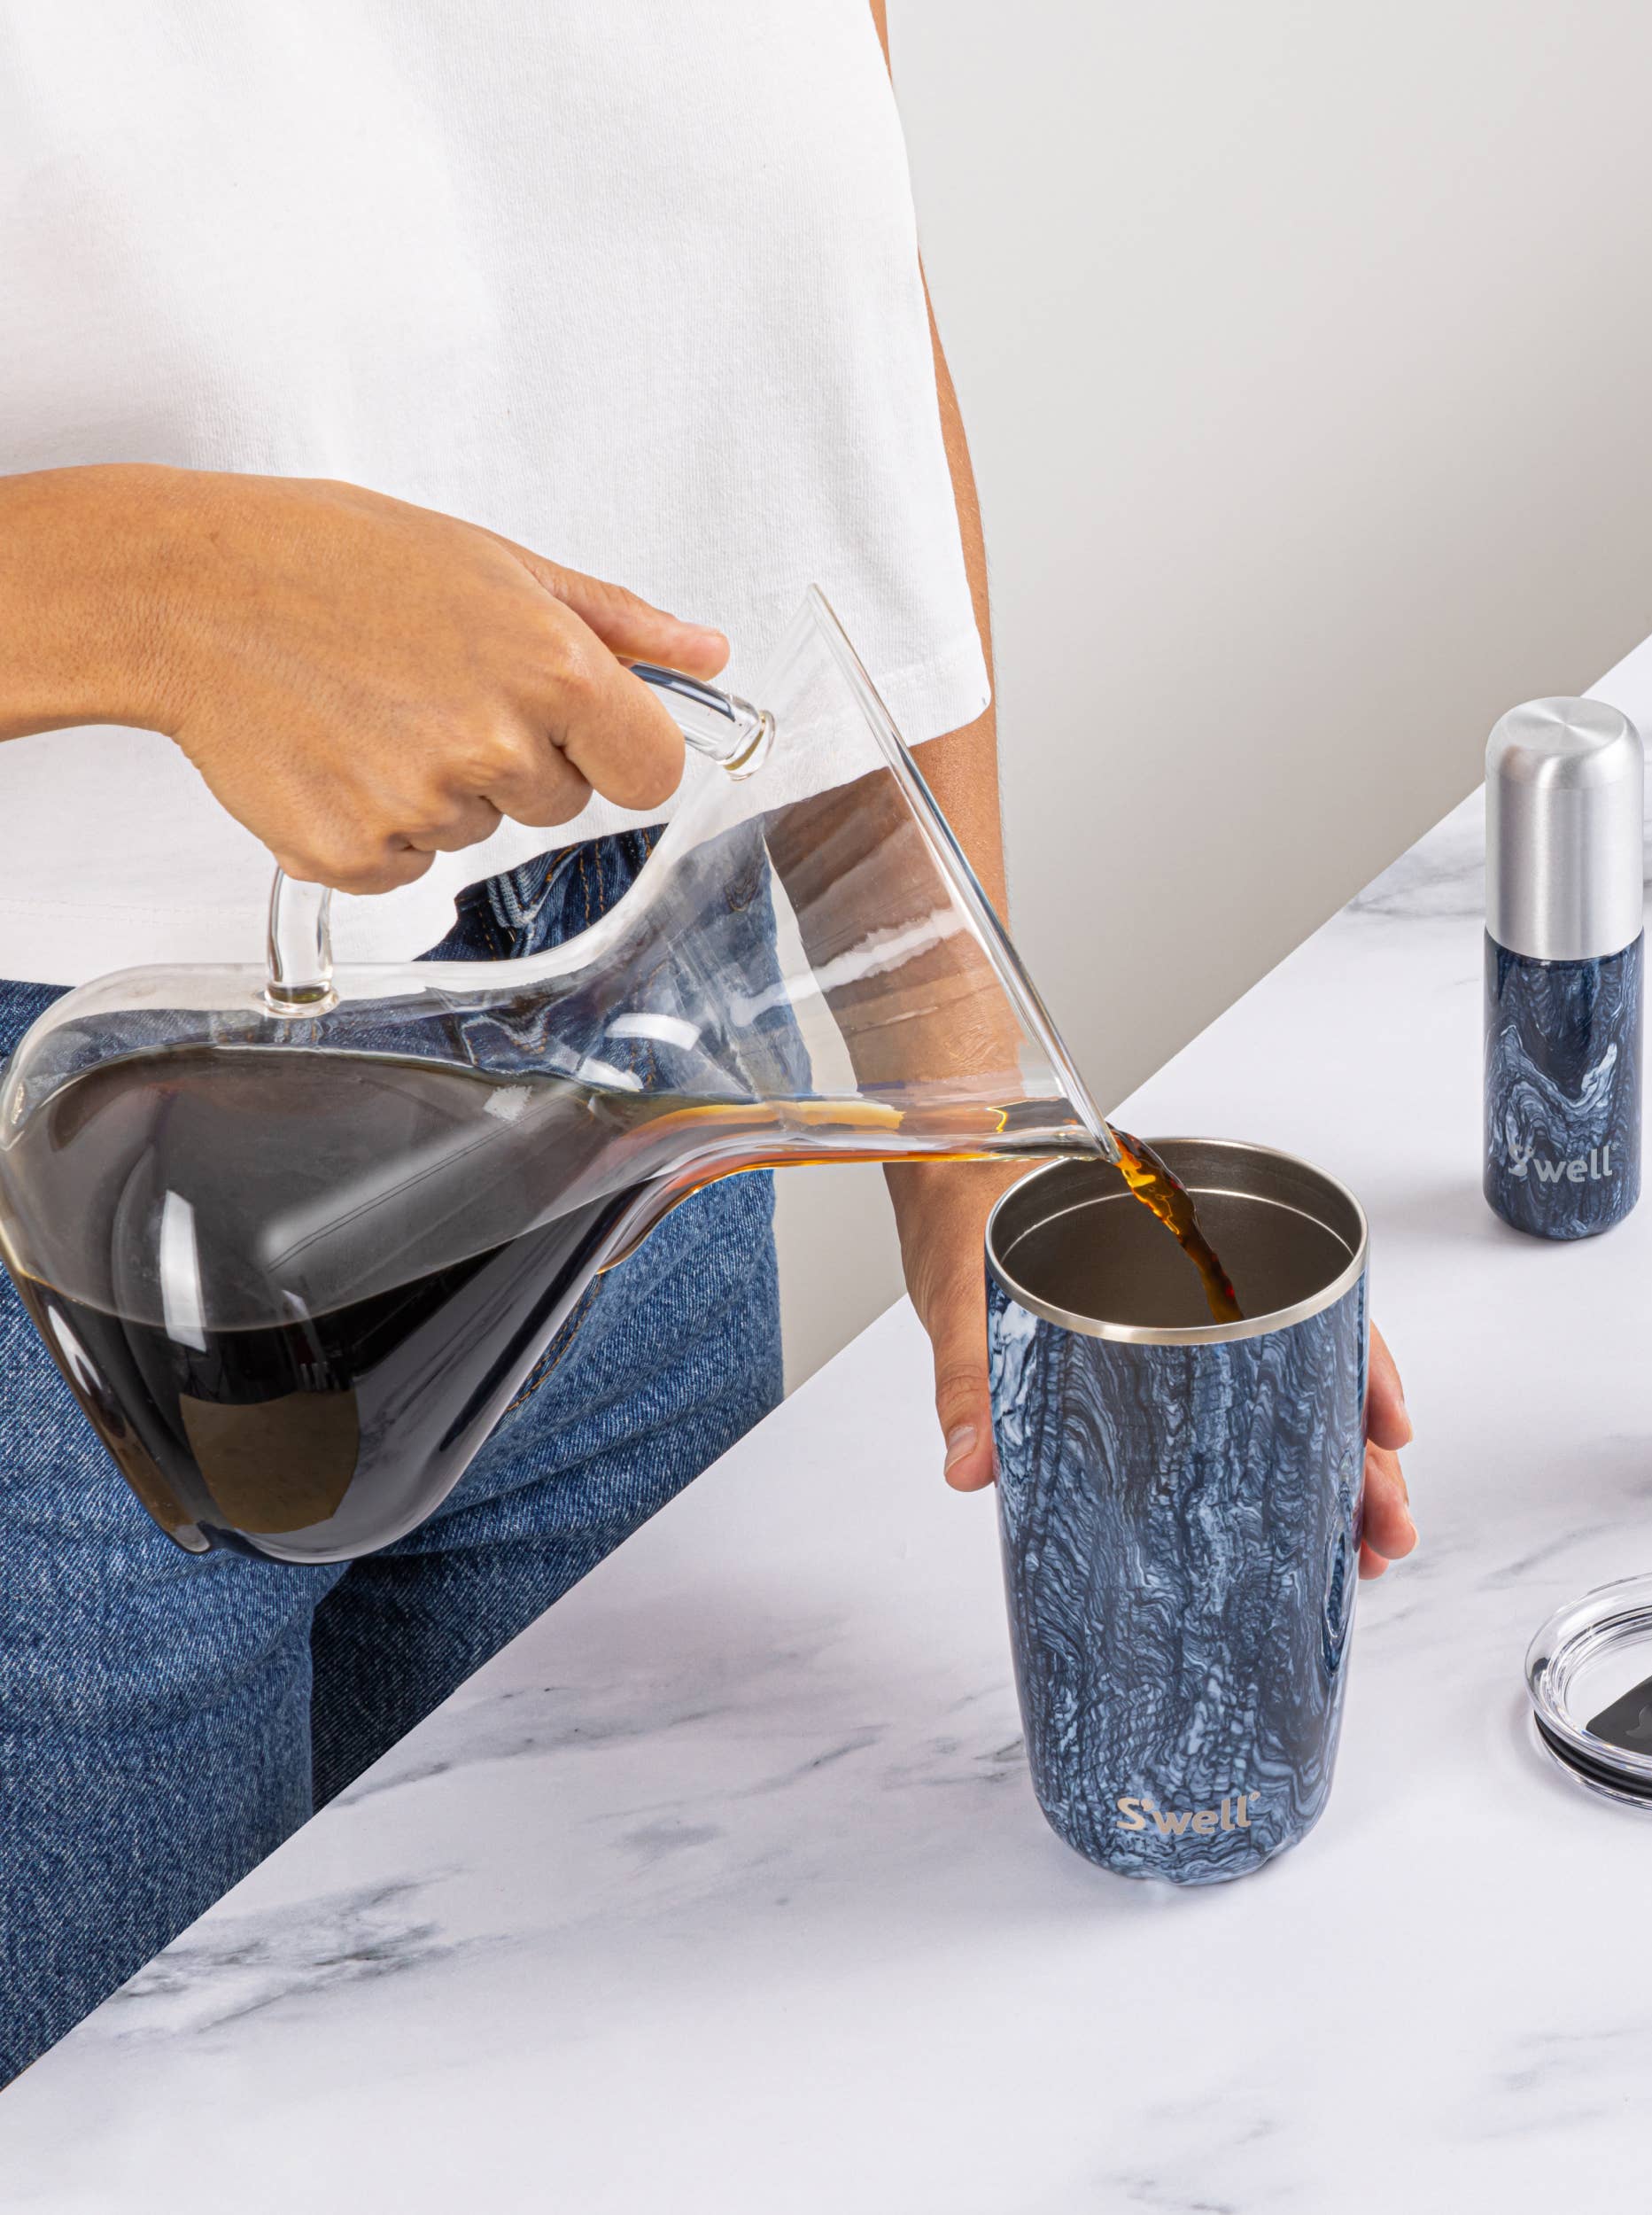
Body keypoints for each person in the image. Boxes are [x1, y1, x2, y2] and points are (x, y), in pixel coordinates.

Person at [0, 2, 1416, 2079]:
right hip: (69, 1201)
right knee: (129, 2132)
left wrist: (962, 1113)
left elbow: (818, 346)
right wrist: (150, 589)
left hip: (633, 1098)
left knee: (640, 2101)